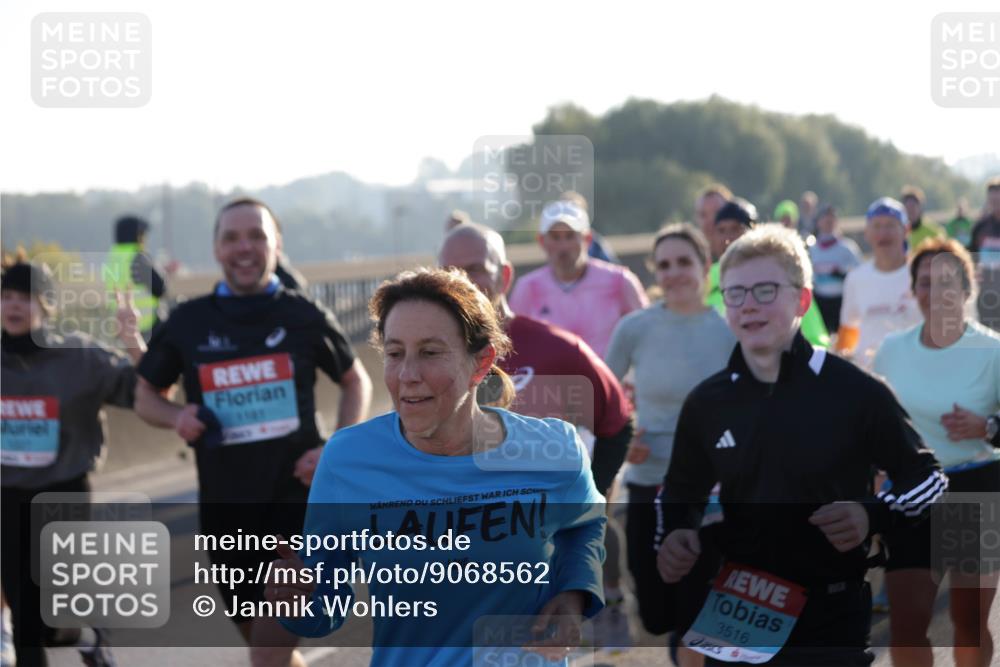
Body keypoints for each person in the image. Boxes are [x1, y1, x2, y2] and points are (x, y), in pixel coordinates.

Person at [267, 268, 607, 666]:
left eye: (430, 353)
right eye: (395, 354)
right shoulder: (348, 460)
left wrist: (574, 593)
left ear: (481, 363)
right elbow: (323, 610)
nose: (408, 375)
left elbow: (586, 524)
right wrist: (297, 599)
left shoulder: (553, 448)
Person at [655, 225, 945, 666]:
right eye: (735, 293)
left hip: (831, 612)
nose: (749, 304)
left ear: (802, 300)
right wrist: (675, 533)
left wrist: (872, 514)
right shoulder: (706, 402)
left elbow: (928, 478)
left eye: (765, 290)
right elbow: (680, 492)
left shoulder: (856, 392)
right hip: (738, 606)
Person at [132, 198, 372, 667]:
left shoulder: (303, 314)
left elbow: (355, 379)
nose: (245, 247)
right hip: (225, 515)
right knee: (267, 651)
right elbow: (145, 396)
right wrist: (176, 416)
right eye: (232, 238)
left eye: (257, 236)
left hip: (297, 508)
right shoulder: (188, 321)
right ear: (216, 249)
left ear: (277, 245)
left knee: (266, 653)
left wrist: (335, 450)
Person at [438, 222, 636, 651]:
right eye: (451, 272)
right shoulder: (428, 361)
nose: (463, 283)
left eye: (476, 269)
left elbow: (617, 422)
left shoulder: (557, 349)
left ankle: (612, 603)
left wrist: (587, 498)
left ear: (505, 275)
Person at [2, 257, 146, 667]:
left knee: (46, 613)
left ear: (47, 305)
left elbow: (145, 391)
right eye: (6, 296)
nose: (14, 305)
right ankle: (78, 635)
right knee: (26, 614)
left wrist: (132, 340)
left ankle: (86, 633)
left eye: (26, 297)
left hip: (62, 489)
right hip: (6, 494)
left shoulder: (79, 357)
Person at [604, 223, 734, 664]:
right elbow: (603, 401)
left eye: (684, 262)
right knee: (658, 614)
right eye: (664, 264)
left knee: (697, 611)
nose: (674, 272)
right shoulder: (635, 328)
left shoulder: (729, 329)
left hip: (711, 492)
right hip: (649, 484)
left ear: (705, 266)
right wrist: (624, 439)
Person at [872, 238, 1000, 667]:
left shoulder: (993, 350)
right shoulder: (891, 350)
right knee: (907, 627)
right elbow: (873, 423)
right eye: (925, 282)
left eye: (946, 282)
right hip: (912, 491)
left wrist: (988, 427)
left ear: (966, 289)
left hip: (973, 487)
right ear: (913, 291)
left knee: (968, 622)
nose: (935, 292)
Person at [508, 199, 648, 357]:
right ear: (542, 241)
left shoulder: (619, 280)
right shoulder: (528, 287)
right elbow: (515, 344)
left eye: (570, 236)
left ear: (587, 239)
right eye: (555, 237)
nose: (563, 246)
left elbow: (646, 333)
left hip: (608, 372)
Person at [708, 200, 830, 348]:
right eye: (721, 230)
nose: (727, 238)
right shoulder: (702, 280)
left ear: (753, 232)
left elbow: (816, 339)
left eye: (735, 228)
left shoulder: (782, 275)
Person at [836, 197, 922, 370]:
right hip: (869, 375)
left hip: (913, 371)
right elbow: (848, 329)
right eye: (876, 226)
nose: (883, 233)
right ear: (867, 233)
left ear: (906, 230)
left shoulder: (922, 275)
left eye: (890, 225)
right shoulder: (856, 279)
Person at [103, 215, 166, 339]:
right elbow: (160, 288)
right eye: (143, 235)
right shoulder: (137, 258)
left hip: (122, 327)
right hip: (146, 327)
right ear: (137, 236)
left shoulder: (112, 258)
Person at [809, 205, 862, 332]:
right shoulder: (812, 249)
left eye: (831, 219)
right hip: (819, 302)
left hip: (842, 301)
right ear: (818, 222)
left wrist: (842, 274)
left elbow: (860, 272)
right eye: (825, 219)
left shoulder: (847, 247)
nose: (828, 222)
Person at [970, 177, 1000, 331]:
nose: (995, 203)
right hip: (986, 293)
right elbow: (971, 257)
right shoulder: (980, 227)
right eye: (992, 200)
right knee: (989, 336)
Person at [695, 184, 733, 262]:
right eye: (703, 215)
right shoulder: (694, 260)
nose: (710, 220)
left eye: (717, 212)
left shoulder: (746, 255)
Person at [901, 186, 945, 251]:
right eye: (907, 207)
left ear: (920, 207)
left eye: (913, 206)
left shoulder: (934, 231)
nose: (910, 210)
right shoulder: (898, 232)